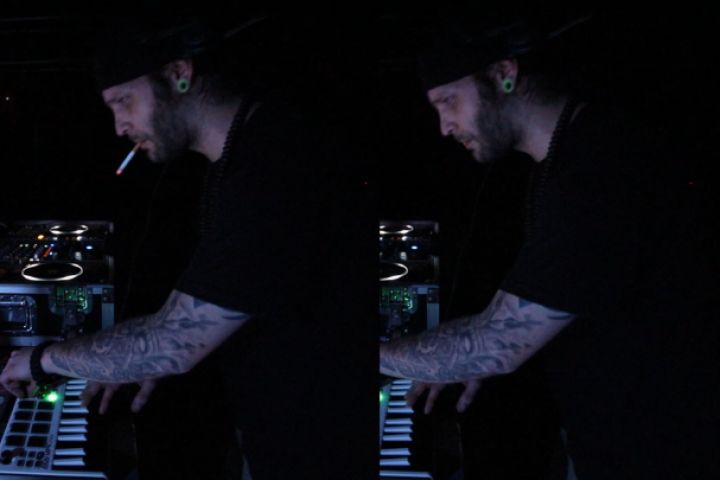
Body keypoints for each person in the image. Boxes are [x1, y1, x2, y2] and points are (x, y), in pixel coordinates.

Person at [0, 13, 376, 480]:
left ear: (179, 74)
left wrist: (42, 361)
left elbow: (176, 338)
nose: (119, 126)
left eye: (123, 101)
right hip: (277, 432)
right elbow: (227, 308)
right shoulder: (238, 160)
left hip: (323, 448)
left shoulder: (275, 168)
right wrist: (137, 359)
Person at [380, 7, 719, 480]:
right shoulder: (563, 159)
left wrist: (369, 354)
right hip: (616, 437)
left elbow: (500, 340)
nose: (444, 126)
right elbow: (533, 312)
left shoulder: (598, 167)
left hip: (668, 450)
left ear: (504, 73)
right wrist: (462, 356)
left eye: (448, 102)